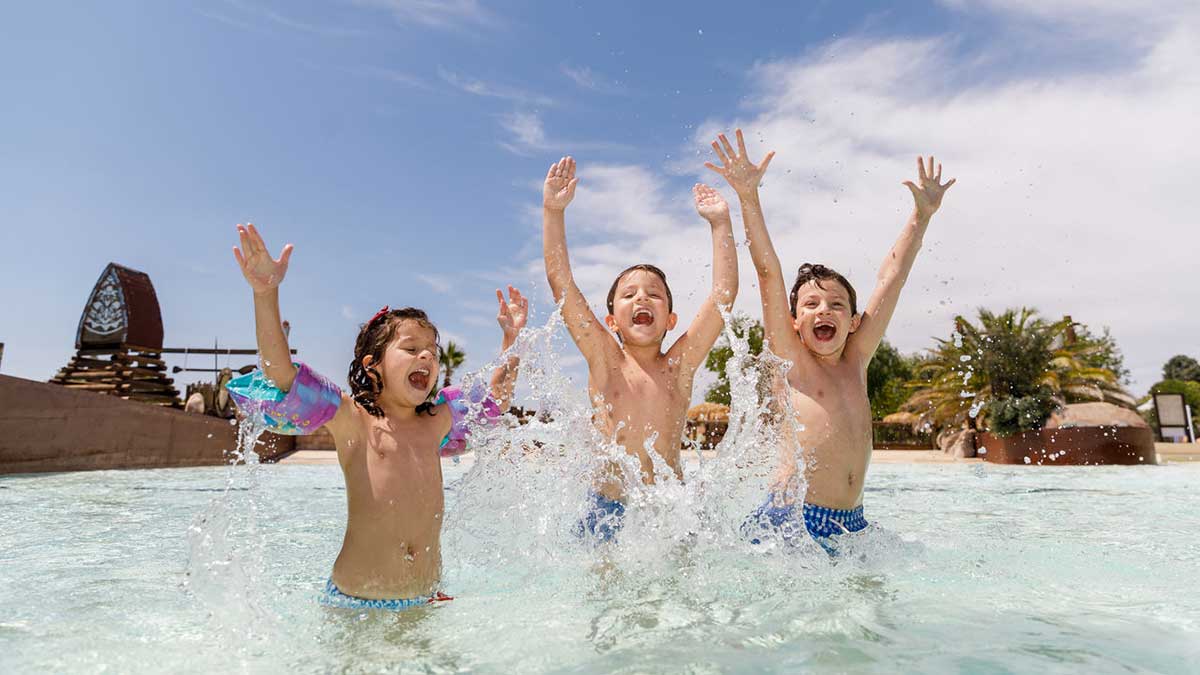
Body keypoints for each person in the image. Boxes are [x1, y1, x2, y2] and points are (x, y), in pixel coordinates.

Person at [225, 223, 528, 608]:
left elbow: (494, 402)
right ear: (374, 367)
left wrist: (511, 342)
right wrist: (266, 294)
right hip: (359, 601)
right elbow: (282, 376)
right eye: (411, 348)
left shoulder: (437, 421)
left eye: (432, 351)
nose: (427, 356)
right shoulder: (355, 420)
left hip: (423, 598)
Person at [704, 131, 955, 553]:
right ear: (793, 321)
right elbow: (768, 272)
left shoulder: (856, 360)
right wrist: (749, 195)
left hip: (853, 523)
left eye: (837, 305)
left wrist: (922, 217)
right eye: (812, 304)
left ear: (854, 322)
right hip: (795, 522)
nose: (824, 311)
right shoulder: (793, 361)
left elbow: (891, 280)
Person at [541, 157, 738, 542]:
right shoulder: (605, 360)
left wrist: (720, 224)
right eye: (628, 295)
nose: (641, 299)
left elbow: (723, 298)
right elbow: (560, 282)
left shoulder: (679, 367)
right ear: (611, 320)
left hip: (668, 510)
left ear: (671, 320)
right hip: (607, 511)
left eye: (654, 295)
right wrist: (553, 212)